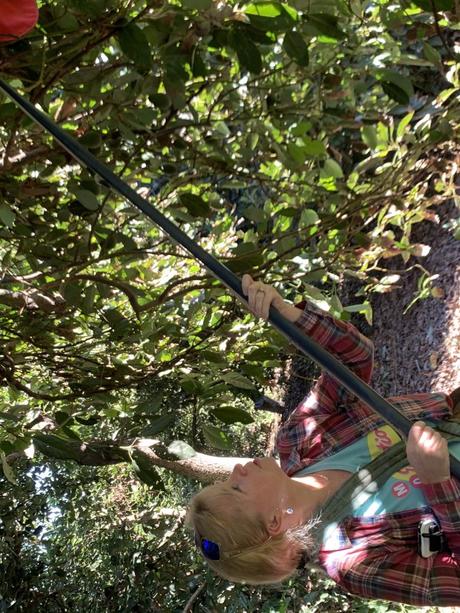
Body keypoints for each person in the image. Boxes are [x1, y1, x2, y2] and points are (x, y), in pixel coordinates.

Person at [188, 274, 460, 606]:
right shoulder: (353, 562)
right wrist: (437, 481)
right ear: (274, 522)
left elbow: (355, 359)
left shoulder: (300, 441)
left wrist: (287, 314)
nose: (238, 470)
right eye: (235, 488)